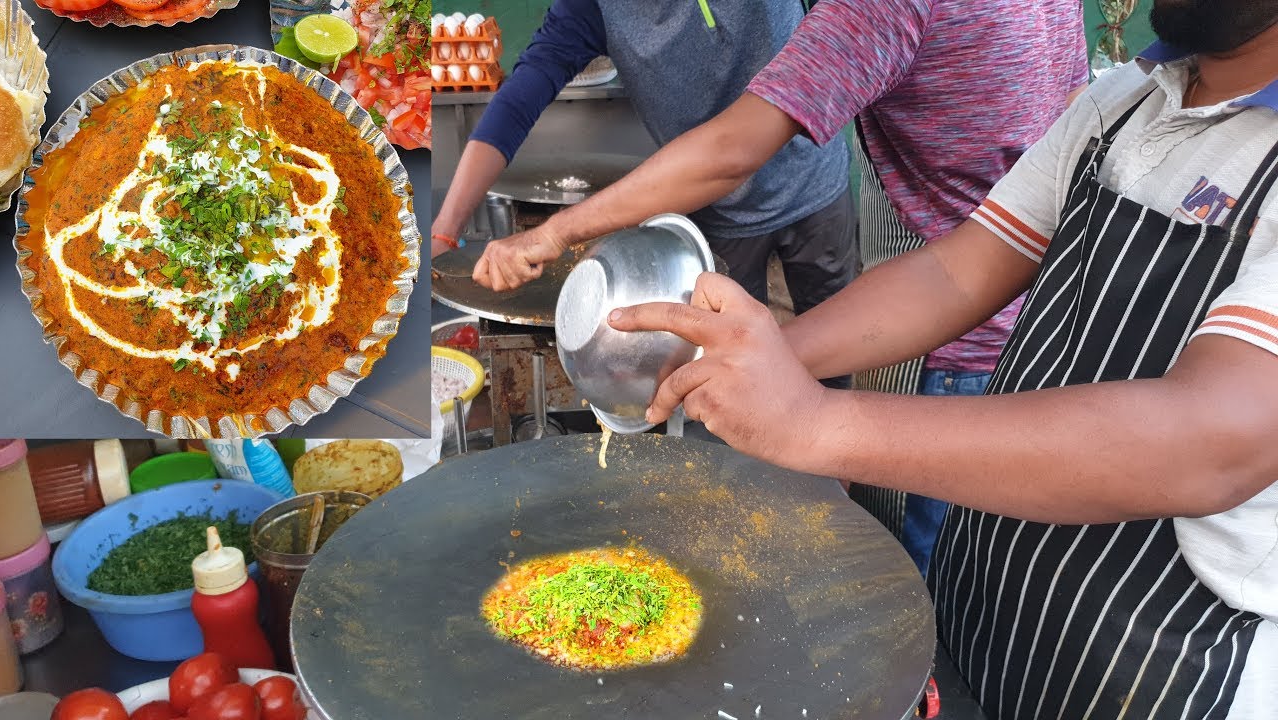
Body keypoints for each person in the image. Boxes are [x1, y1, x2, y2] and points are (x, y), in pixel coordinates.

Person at [606, 1, 1278, 716]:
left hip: (1159, 663)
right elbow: (957, 273)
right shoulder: (1126, 101)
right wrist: (764, 357)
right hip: (991, 598)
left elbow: (1208, 443)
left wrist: (817, 422)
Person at [470, 0, 1089, 574]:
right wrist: (763, 359)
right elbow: (968, 262)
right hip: (1046, 317)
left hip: (981, 353)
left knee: (944, 595)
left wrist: (554, 235)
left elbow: (732, 149)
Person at [432, 0, 858, 327]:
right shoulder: (594, 8)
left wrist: (555, 233)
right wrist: (445, 231)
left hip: (816, 185)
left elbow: (732, 152)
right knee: (735, 368)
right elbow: (518, 100)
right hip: (718, 213)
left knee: (837, 338)